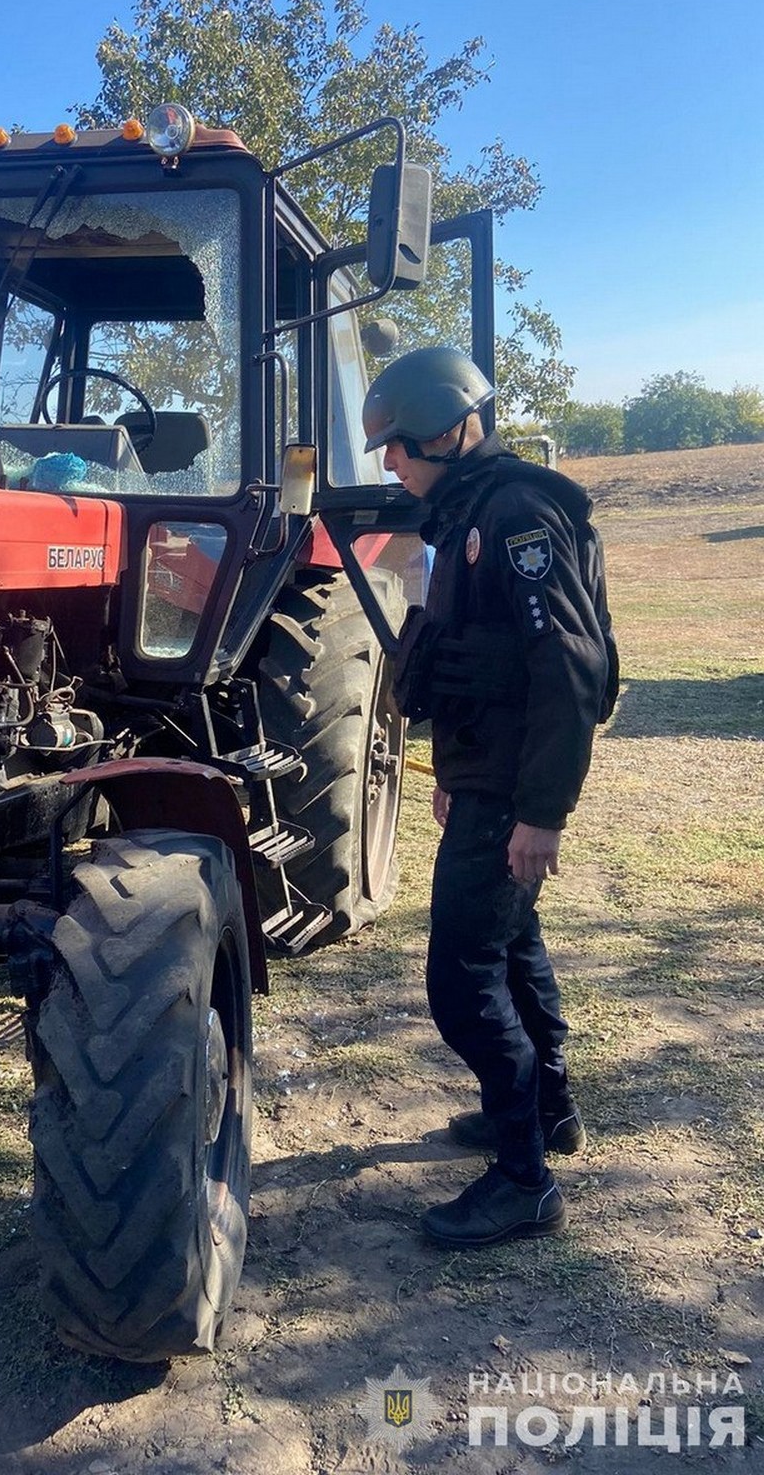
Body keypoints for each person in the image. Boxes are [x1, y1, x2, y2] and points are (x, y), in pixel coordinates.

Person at [361, 346, 618, 1249]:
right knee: (513, 948)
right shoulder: (469, 514)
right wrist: (459, 778)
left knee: (461, 978)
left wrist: (540, 813)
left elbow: (569, 670)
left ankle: (523, 1179)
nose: (388, 464)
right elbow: (479, 666)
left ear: (445, 430)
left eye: (396, 447)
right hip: (489, 782)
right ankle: (548, 1114)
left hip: (517, 792)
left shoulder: (514, 516)